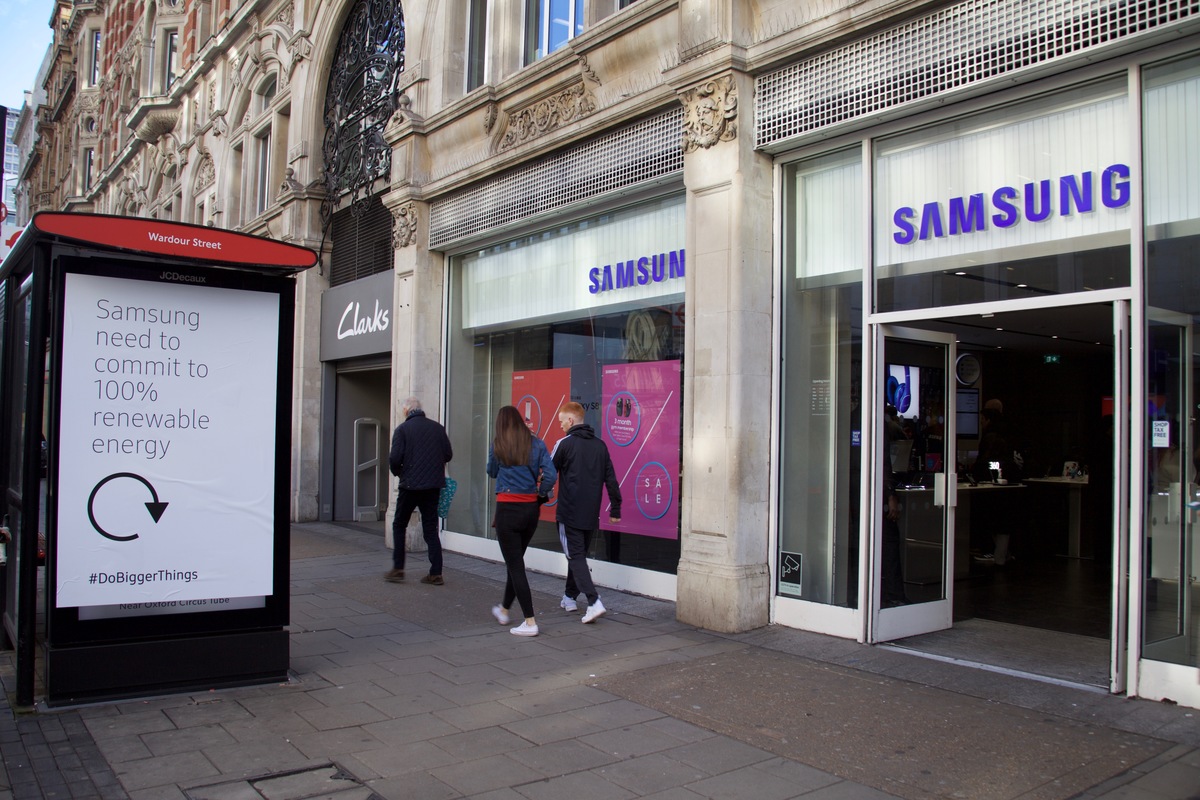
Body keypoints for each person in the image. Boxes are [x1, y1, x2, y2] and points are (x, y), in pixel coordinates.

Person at [487, 406, 557, 637]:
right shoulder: (537, 443)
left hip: (507, 509)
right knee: (514, 561)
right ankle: (504, 610)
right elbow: (551, 474)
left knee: (515, 565)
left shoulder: (498, 444)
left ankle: (530, 622)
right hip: (530, 509)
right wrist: (541, 492)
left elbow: (492, 471)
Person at [552, 401, 621, 623]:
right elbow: (610, 478)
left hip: (569, 512)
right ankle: (569, 596)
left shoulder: (564, 444)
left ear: (570, 421)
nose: (561, 425)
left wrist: (538, 496)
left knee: (575, 555)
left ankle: (593, 601)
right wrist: (615, 507)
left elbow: (548, 473)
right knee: (577, 555)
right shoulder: (600, 446)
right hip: (591, 513)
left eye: (562, 421)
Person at [387, 397, 453, 585]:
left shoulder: (402, 430)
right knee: (431, 528)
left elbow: (394, 458)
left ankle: (398, 568)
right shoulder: (437, 428)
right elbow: (448, 454)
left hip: (410, 486)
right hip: (432, 487)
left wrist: (400, 473)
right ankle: (436, 572)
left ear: (406, 411)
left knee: (399, 524)